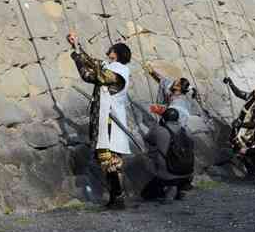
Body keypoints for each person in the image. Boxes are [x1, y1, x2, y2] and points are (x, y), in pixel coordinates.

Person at [67, 33, 131, 210]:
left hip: (109, 123)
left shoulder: (117, 72)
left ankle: (117, 197)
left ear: (115, 54)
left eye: (111, 50)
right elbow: (94, 63)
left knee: (109, 161)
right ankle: (116, 197)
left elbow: (90, 75)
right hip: (107, 121)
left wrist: (77, 60)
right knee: (110, 162)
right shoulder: (112, 68)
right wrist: (76, 46)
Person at [141, 108, 194, 202]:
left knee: (146, 194)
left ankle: (170, 188)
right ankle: (179, 187)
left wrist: (156, 126)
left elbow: (147, 139)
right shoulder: (186, 130)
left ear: (163, 119)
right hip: (188, 171)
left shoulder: (158, 129)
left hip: (169, 172)